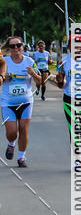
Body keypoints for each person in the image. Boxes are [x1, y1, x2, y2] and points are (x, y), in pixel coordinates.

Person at [0, 36, 41, 168]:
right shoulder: (4, 62)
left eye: (18, 45)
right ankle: (11, 144)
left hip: (26, 102)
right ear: (9, 49)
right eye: (12, 46)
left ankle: (21, 157)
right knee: (12, 132)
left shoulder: (29, 61)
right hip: (8, 103)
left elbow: (40, 81)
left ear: (23, 47)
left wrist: (33, 73)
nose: (16, 48)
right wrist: (3, 77)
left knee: (23, 129)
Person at [55, 36, 81, 148]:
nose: (77, 47)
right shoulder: (64, 62)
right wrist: (60, 81)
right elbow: (60, 84)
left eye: (80, 44)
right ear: (69, 47)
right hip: (69, 98)